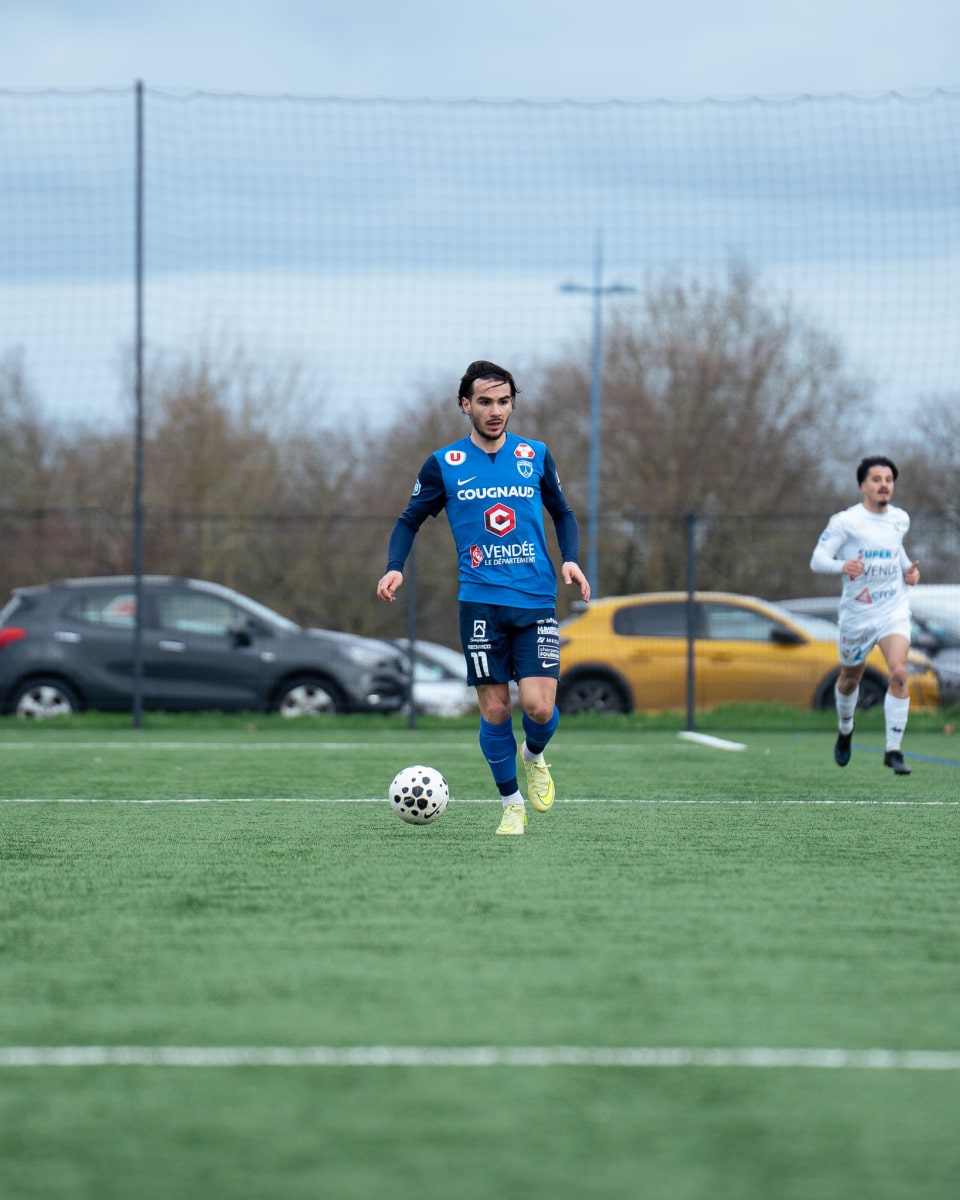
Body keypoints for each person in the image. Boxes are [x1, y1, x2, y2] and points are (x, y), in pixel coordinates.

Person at [377, 360, 591, 835]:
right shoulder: (444, 464)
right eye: (485, 402)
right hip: (480, 603)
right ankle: (511, 805)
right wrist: (395, 567)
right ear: (465, 405)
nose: (496, 411)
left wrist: (571, 559)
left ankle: (533, 755)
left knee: (538, 707)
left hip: (535, 597)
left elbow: (563, 512)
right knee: (495, 709)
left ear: (513, 404)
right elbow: (409, 520)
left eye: (504, 401)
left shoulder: (535, 455)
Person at [810, 455, 921, 775]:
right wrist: (842, 566)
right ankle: (846, 728)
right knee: (849, 680)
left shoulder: (900, 519)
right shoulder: (846, 521)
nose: (884, 484)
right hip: (858, 615)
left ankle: (893, 750)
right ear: (863, 486)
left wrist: (909, 571)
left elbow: (896, 551)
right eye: (876, 479)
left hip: (892, 610)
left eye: (888, 479)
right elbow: (817, 560)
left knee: (898, 673)